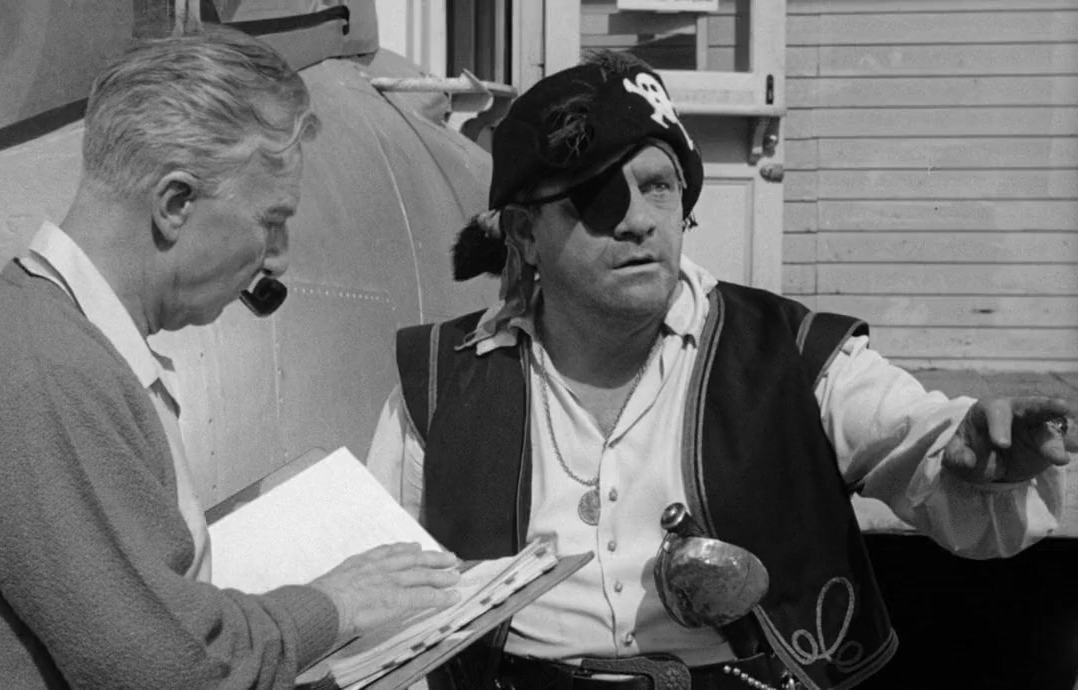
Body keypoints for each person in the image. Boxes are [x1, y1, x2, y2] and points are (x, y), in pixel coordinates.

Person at [365, 50, 1074, 690]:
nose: (639, 220)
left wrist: (980, 460)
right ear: (524, 233)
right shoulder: (441, 382)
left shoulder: (790, 353)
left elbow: (918, 440)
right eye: (598, 195)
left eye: (660, 186)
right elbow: (383, 604)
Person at [0, 28, 459, 689]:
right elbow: (170, 670)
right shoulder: (47, 376)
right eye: (270, 221)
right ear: (176, 204)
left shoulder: (53, 343)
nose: (280, 257)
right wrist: (333, 605)